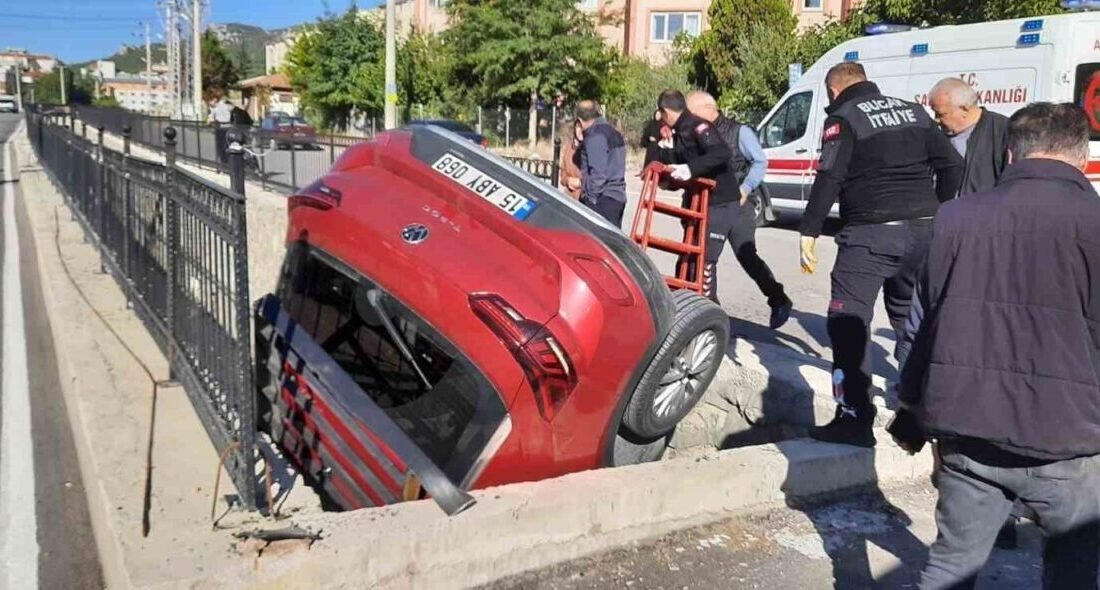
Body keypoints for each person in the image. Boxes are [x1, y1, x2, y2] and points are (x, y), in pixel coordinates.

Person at [892, 102, 1100, 590]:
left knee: (949, 567)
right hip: (1072, 442)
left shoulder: (956, 217)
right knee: (1072, 574)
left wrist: (911, 408)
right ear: (1084, 157)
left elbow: (919, 326)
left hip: (968, 430)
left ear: (1010, 154)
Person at [799, 62, 963, 447]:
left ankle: (854, 418)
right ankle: (916, 414)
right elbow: (953, 164)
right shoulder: (913, 110)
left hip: (871, 233)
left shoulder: (844, 116)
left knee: (848, 318)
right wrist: (936, 210)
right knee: (912, 320)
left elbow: (831, 175)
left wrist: (809, 229)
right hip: (925, 232)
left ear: (833, 91)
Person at [686, 90, 792, 328]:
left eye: (692, 113)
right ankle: (708, 310)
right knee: (704, 257)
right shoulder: (696, 134)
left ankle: (778, 299)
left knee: (746, 254)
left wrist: (746, 187)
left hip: (740, 203)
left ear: (708, 109)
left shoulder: (739, 131)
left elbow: (760, 161)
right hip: (712, 203)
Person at [653, 90, 733, 294]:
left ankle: (707, 314)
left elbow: (722, 152)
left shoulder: (697, 126)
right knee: (686, 262)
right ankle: (685, 308)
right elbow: (678, 166)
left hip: (720, 202)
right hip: (698, 202)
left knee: (703, 263)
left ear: (665, 111)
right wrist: (667, 153)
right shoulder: (678, 132)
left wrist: (691, 169)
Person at [928, 77, 1010, 195]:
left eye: (941, 114)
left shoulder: (1003, 131)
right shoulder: (937, 135)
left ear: (965, 109)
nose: (936, 120)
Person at [572, 100, 628, 226]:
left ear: (579, 121)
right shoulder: (613, 132)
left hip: (603, 200)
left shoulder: (595, 136)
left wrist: (590, 201)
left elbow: (598, 175)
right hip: (617, 197)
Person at [559, 121, 583, 199]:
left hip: (585, 199)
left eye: (583, 127)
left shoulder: (595, 149)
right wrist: (568, 181)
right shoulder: (569, 148)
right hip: (569, 197)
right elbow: (562, 174)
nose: (580, 130)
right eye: (578, 127)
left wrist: (580, 183)